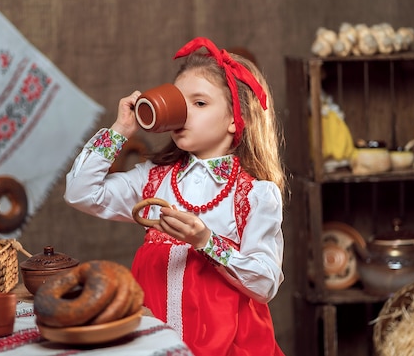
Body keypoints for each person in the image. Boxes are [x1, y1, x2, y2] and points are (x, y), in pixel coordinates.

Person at [64, 37, 286, 356]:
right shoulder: (153, 177)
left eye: (199, 103)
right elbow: (80, 193)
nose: (183, 113)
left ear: (237, 120)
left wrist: (206, 241)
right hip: (154, 340)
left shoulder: (255, 193)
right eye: (179, 102)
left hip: (229, 345)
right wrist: (119, 130)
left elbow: (264, 285)